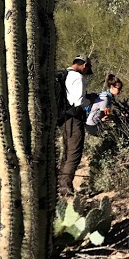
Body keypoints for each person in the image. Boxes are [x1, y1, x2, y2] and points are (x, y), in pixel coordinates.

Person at [58, 55, 93, 195]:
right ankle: (65, 187)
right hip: (73, 118)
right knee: (74, 152)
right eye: (87, 69)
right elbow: (78, 101)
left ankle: (59, 184)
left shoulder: (64, 75)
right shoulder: (78, 77)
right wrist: (89, 100)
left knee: (66, 152)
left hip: (64, 119)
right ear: (84, 65)